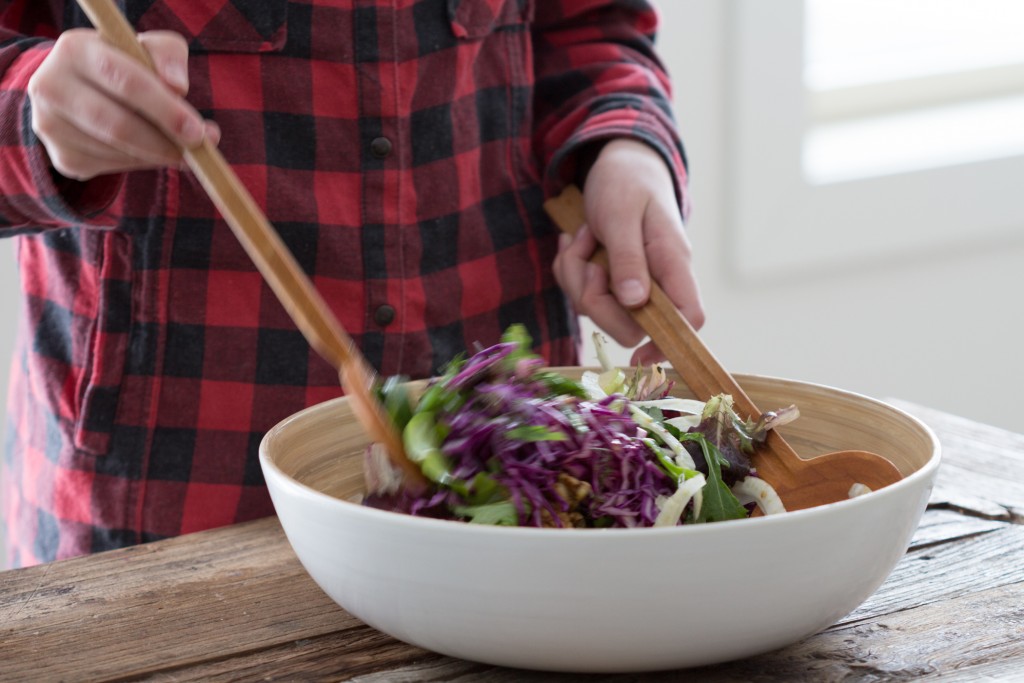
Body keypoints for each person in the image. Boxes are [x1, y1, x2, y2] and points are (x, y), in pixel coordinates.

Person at [0, 0, 703, 567]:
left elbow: (582, 25)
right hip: (168, 514)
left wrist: (624, 147)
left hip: (515, 495)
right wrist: (36, 115)